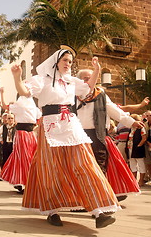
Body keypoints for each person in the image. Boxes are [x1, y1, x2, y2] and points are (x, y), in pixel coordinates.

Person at [11, 46, 119, 228]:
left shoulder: (71, 81)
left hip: (71, 124)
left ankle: (99, 210)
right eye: (65, 61)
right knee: (50, 166)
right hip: (50, 125)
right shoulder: (42, 80)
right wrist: (17, 76)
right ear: (56, 62)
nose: (68, 64)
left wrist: (96, 71)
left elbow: (88, 88)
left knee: (85, 163)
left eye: (70, 62)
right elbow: (24, 91)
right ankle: (51, 210)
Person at [76, 68, 143, 199]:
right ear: (78, 80)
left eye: (90, 77)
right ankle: (83, 197)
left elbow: (114, 110)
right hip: (79, 137)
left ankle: (105, 195)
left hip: (99, 136)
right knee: (82, 168)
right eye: (84, 78)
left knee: (103, 166)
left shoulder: (100, 94)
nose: (88, 80)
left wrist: (131, 122)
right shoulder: (72, 95)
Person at [0, 87, 41, 194]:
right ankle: (25, 182)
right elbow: (4, 106)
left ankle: (26, 182)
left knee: (28, 157)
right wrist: (2, 94)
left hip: (29, 133)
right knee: (24, 157)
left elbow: (39, 119)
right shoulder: (20, 105)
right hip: (23, 133)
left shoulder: (30, 106)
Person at [126, 114, 147, 186]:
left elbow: (144, 138)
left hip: (138, 149)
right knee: (132, 165)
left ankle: (141, 181)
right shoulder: (131, 128)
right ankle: (134, 181)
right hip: (130, 149)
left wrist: (139, 146)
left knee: (141, 164)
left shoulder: (141, 128)